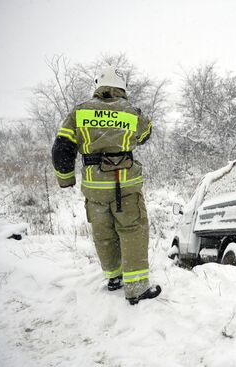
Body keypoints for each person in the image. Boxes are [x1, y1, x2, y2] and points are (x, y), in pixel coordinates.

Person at [51, 66, 161, 305]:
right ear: (122, 88)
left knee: (103, 233)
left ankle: (113, 277)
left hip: (94, 188)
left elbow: (62, 147)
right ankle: (137, 287)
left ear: (98, 86)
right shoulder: (130, 112)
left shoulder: (79, 112)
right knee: (132, 230)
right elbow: (145, 134)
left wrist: (66, 178)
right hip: (126, 185)